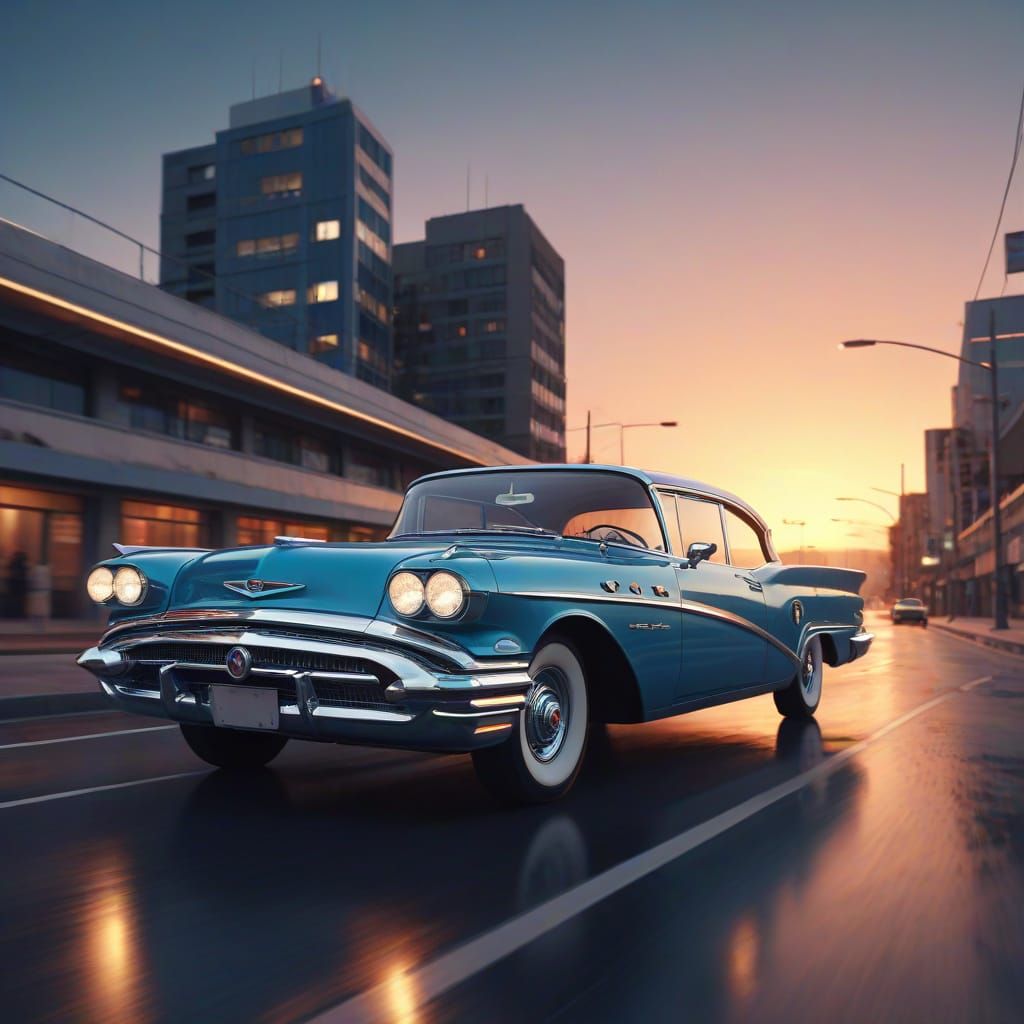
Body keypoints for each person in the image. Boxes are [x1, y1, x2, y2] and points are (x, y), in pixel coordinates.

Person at [27, 561, 52, 629]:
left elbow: (31, 580)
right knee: (43, 610)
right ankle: (43, 623)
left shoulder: (35, 570)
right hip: (43, 592)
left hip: (36, 592)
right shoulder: (46, 570)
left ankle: (35, 623)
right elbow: (48, 582)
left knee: (36, 609)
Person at [6, 551, 28, 618]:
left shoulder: (14, 563)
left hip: (14, 584)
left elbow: (9, 568)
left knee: (14, 600)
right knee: (20, 600)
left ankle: (14, 613)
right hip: (19, 584)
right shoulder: (23, 564)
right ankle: (19, 613)